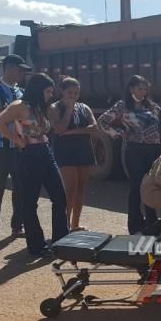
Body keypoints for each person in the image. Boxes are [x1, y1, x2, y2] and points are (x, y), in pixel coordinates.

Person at [0, 73, 68, 257]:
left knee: (60, 197)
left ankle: (61, 240)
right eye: (48, 91)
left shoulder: (41, 107)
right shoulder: (19, 106)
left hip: (46, 153)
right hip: (29, 156)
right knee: (29, 202)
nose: (51, 94)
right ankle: (36, 245)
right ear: (38, 89)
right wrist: (16, 139)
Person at [98, 75, 161, 233]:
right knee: (135, 187)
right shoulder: (123, 105)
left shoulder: (152, 106)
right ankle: (134, 223)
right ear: (131, 89)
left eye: (145, 89)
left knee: (150, 185)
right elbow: (102, 121)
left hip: (152, 149)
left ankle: (151, 220)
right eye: (140, 88)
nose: (143, 91)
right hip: (134, 149)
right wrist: (119, 133)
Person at [0, 54, 28, 245]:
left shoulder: (21, 91)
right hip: (0, 146)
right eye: (20, 69)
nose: (22, 73)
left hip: (19, 146)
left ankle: (17, 226)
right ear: (8, 68)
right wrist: (15, 127)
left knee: (20, 187)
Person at [47, 77, 97, 232]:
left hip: (84, 150)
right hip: (65, 152)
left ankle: (75, 224)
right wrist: (69, 109)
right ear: (62, 91)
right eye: (70, 92)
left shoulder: (84, 107)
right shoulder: (55, 108)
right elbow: (59, 129)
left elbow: (94, 127)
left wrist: (73, 131)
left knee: (81, 188)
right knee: (70, 188)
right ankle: (64, 224)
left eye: (76, 92)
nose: (74, 96)